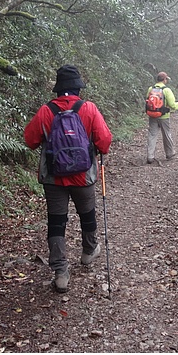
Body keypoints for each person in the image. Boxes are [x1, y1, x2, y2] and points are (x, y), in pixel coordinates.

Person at [24, 64, 113, 293]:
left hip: (54, 178)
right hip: (83, 176)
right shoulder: (89, 109)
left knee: (56, 221)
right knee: (87, 213)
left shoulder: (46, 111)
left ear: (58, 88)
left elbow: (30, 140)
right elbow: (104, 141)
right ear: (77, 88)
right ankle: (88, 252)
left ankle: (61, 272)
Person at [146, 72, 178, 165]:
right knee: (166, 134)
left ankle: (150, 156)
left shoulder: (151, 89)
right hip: (164, 117)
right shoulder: (166, 90)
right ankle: (169, 153)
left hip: (152, 115)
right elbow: (173, 105)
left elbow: (147, 101)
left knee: (152, 135)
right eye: (166, 79)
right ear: (164, 80)